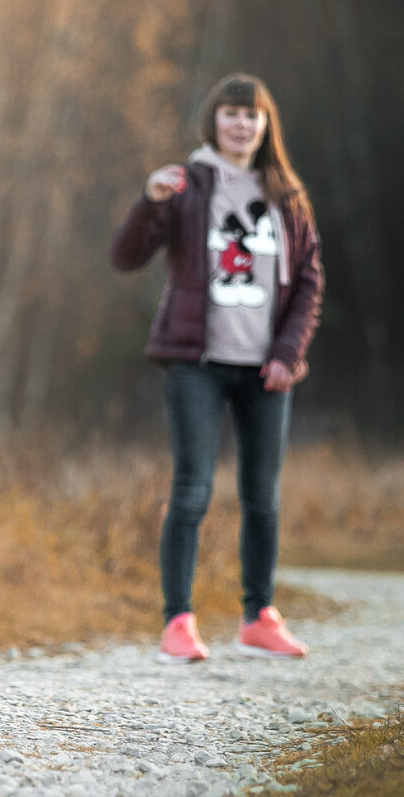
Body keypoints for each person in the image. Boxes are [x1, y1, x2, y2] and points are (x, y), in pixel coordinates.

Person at [110, 73, 324, 662]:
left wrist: (287, 354)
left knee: (263, 496)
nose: (242, 123)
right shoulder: (183, 184)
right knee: (193, 490)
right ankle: (178, 622)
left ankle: (259, 617)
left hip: (266, 372)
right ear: (215, 121)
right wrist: (148, 202)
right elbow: (127, 257)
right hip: (196, 363)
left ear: (265, 125)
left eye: (252, 115)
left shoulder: (287, 193)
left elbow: (309, 280)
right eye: (231, 113)